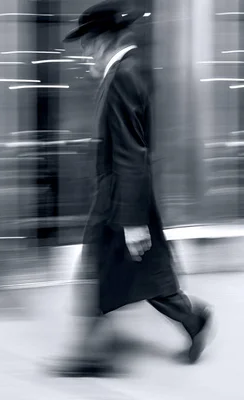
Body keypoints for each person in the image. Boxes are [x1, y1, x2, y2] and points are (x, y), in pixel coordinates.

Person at [54, 0, 213, 376]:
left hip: (119, 200)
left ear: (102, 39)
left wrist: (133, 221)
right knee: (140, 276)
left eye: (86, 41)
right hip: (122, 197)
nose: (84, 50)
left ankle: (93, 356)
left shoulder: (123, 75)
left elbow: (131, 151)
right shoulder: (126, 70)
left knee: (103, 272)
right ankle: (192, 320)